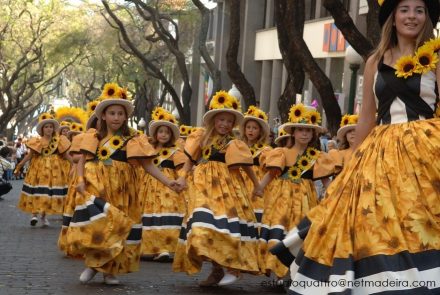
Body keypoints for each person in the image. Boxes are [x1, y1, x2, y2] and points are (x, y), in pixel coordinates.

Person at [270, 1, 440, 293]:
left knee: (420, 218)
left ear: (427, 17)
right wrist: (355, 161)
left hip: (425, 149)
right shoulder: (375, 60)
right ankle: (385, 284)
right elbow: (367, 116)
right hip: (380, 152)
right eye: (405, 9)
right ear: (393, 17)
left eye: (419, 10)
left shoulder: (437, 57)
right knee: (374, 220)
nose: (412, 16)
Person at [66, 83, 178, 285]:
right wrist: (81, 180)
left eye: (120, 113)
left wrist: (169, 182)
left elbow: (148, 165)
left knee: (118, 228)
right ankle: (92, 265)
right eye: (112, 113)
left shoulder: (134, 139)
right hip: (96, 185)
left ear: (126, 116)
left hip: (123, 188)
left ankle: (110, 271)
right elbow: (82, 160)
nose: (116, 117)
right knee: (98, 225)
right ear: (103, 116)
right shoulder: (94, 136)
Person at [173, 90, 260, 287]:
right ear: (213, 120)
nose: (225, 124)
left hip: (227, 187)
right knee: (203, 225)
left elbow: (247, 166)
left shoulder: (234, 142)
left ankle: (231, 268)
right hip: (203, 186)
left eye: (229, 121)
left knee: (225, 226)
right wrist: (182, 177)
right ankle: (217, 268)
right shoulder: (201, 138)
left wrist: (257, 185)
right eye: (221, 119)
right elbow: (190, 160)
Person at [254, 103, 334, 283]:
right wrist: (259, 188)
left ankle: (291, 271)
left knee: (298, 232)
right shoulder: (281, 153)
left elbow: (327, 183)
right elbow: (270, 174)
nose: (304, 133)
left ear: (313, 134)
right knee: (278, 228)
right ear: (293, 132)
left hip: (305, 198)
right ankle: (278, 271)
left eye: (308, 130)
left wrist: (332, 195)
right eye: (300, 130)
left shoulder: (317, 157)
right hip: (280, 197)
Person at [138, 107, 186, 262]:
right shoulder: (149, 149)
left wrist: (182, 181)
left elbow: (182, 169)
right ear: (155, 134)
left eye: (167, 132)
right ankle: (148, 248)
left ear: (171, 135)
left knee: (166, 214)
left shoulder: (176, 151)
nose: (164, 134)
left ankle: (164, 248)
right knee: (148, 215)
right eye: (161, 131)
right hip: (148, 186)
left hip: (168, 187)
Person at [15, 113, 72, 226]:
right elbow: (30, 155)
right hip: (39, 170)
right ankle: (34, 215)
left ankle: (43, 217)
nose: (49, 129)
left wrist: (75, 164)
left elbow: (66, 155)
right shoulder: (37, 141)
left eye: (51, 127)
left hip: (55, 171)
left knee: (48, 193)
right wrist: (20, 165)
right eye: (46, 127)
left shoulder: (59, 141)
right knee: (37, 191)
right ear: (42, 129)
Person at [239, 106, 272, 226]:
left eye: (254, 128)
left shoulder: (265, 150)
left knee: (256, 217)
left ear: (260, 131)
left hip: (257, 185)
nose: (251, 131)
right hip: (239, 183)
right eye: (248, 127)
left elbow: (270, 170)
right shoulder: (238, 146)